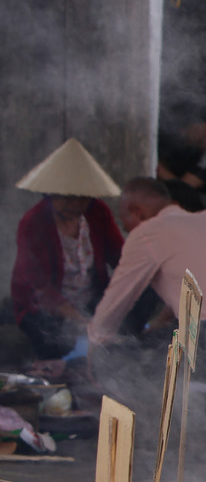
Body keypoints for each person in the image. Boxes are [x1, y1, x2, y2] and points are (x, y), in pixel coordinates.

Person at [87, 178, 206, 414]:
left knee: (109, 357)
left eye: (125, 222)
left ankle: (155, 422)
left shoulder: (150, 233)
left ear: (136, 212)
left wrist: (96, 344)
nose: (126, 230)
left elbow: (117, 301)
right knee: (161, 344)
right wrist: (156, 328)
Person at [10, 139, 125, 361]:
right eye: (67, 197)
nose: (75, 204)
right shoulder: (33, 223)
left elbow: (120, 258)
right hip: (46, 309)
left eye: (82, 197)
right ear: (50, 194)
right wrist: (83, 322)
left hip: (92, 300)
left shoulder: (97, 212)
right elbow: (39, 287)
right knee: (52, 338)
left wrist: (114, 304)